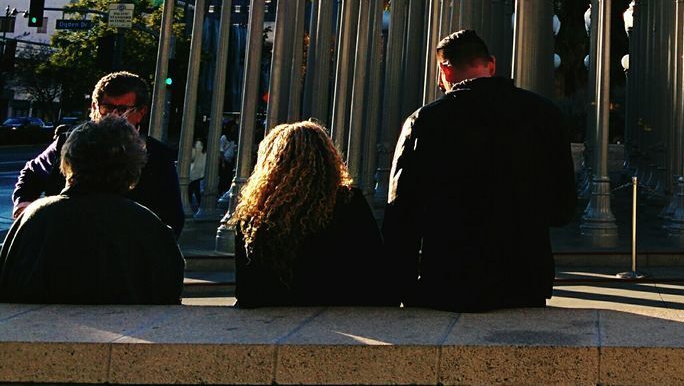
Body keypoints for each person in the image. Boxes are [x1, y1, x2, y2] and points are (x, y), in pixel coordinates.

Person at [383, 29, 576, 310]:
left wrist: (399, 289)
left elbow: (401, 214)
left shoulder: (425, 122)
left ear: (445, 71)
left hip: (449, 280)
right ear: (492, 65)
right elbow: (563, 209)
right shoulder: (546, 116)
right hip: (523, 281)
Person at [0, 116, 184, 304]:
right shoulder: (151, 228)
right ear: (133, 169)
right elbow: (168, 294)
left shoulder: (33, 219)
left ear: (68, 162)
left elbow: (8, 283)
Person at [231, 121, 392, 308]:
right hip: (339, 309)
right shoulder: (348, 202)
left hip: (274, 315)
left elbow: (246, 291)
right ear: (327, 158)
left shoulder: (254, 214)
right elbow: (375, 268)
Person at [12, 72, 184, 235]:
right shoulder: (67, 143)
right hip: (64, 241)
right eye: (107, 107)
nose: (115, 116)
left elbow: (172, 218)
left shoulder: (158, 156)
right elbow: (32, 172)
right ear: (94, 107)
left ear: (141, 112)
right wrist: (23, 204)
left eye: (124, 109)